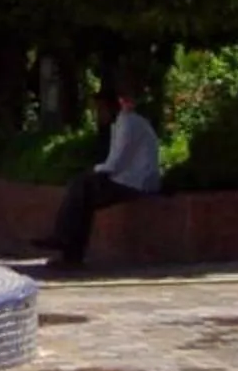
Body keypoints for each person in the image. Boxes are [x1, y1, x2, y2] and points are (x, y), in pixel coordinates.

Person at [41, 87, 162, 268]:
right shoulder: (122, 123)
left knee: (82, 188)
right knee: (82, 192)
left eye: (99, 109)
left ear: (110, 107)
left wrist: (95, 170)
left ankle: (66, 244)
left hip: (135, 183)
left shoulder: (127, 124)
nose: (97, 115)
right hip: (128, 179)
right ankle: (68, 249)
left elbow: (115, 163)